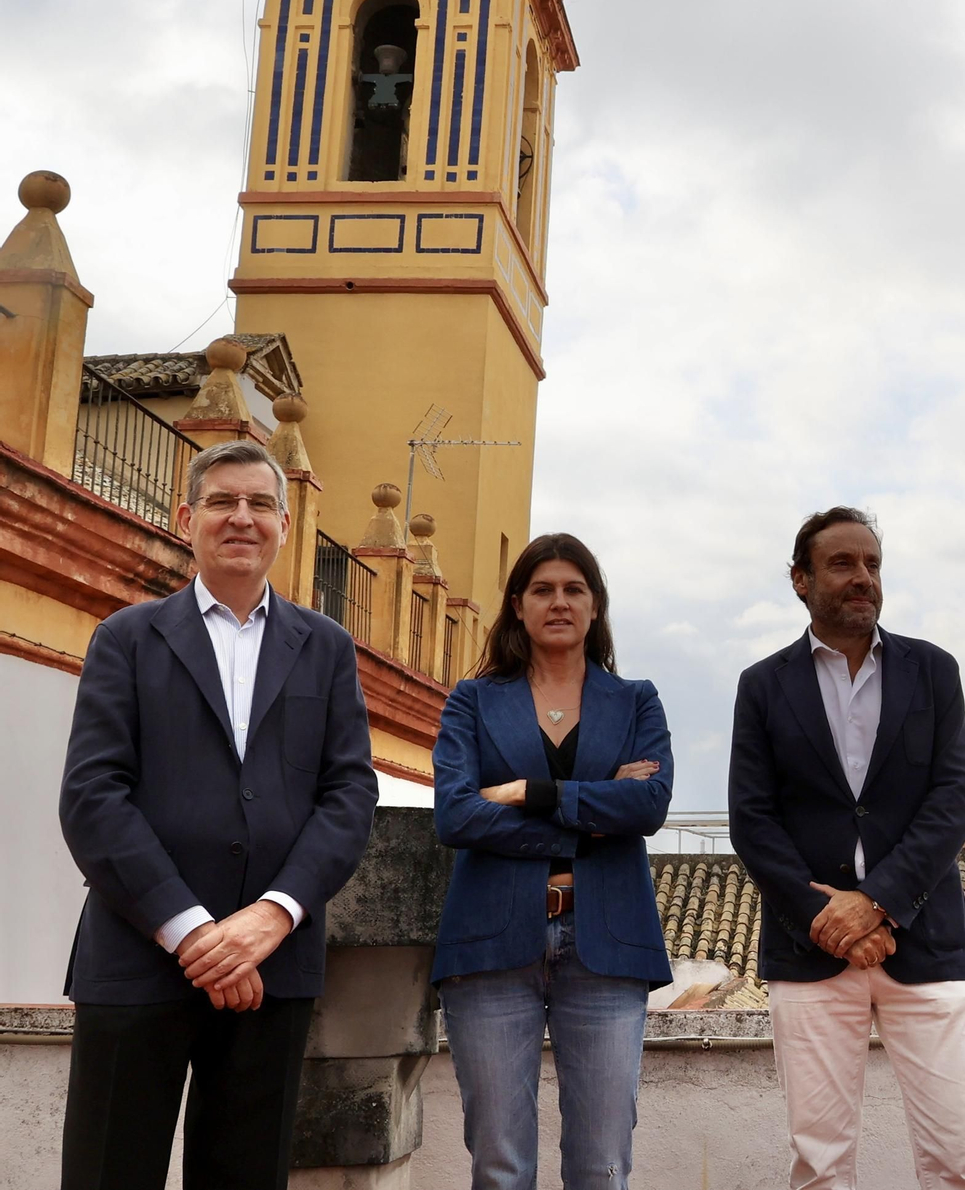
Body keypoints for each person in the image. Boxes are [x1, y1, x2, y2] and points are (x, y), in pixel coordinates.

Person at [57, 440, 380, 1190]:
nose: (242, 517)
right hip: (137, 958)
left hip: (272, 968)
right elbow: (93, 795)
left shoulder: (327, 648)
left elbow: (348, 794)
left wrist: (271, 916)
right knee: (109, 1173)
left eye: (260, 503)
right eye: (223, 501)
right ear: (186, 517)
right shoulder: (126, 638)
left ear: (285, 525)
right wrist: (194, 930)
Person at [728, 507, 965, 1190]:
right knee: (819, 1166)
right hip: (808, 949)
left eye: (872, 564)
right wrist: (827, 920)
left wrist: (876, 903)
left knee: (960, 1159)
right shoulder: (762, 686)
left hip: (924, 942)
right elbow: (753, 820)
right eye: (843, 563)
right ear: (801, 579)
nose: (863, 578)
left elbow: (954, 799)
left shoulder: (933, 672)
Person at [432, 533, 673, 1190]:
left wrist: (534, 796)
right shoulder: (473, 701)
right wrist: (593, 820)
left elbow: (649, 802)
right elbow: (455, 815)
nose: (558, 601)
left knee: (601, 1166)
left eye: (574, 589)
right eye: (542, 589)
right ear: (517, 605)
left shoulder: (637, 700)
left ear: (596, 606)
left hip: (607, 944)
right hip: (490, 942)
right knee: (500, 1166)